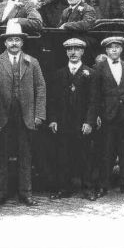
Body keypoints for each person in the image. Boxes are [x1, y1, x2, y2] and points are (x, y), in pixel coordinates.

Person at [0, 22, 46, 207]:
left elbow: (41, 88)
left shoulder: (32, 61)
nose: (14, 43)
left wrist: (39, 114)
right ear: (5, 43)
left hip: (25, 115)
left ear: (22, 42)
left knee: (25, 155)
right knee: (1, 155)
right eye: (10, 40)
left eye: (17, 39)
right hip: (2, 116)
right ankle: (0, 193)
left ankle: (26, 192)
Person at [87, 37, 124, 197]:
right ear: (106, 51)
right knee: (106, 150)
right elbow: (95, 95)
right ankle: (103, 186)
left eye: (117, 47)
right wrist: (97, 115)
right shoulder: (99, 68)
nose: (114, 50)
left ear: (121, 50)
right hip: (107, 115)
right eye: (111, 48)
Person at [47, 38, 96, 201]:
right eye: (70, 49)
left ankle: (88, 189)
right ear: (66, 52)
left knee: (85, 156)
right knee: (63, 156)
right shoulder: (59, 74)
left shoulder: (90, 73)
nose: (73, 53)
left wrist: (89, 122)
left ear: (82, 52)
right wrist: (53, 119)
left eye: (77, 49)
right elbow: (52, 100)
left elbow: (94, 101)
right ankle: (64, 188)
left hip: (82, 123)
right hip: (63, 122)